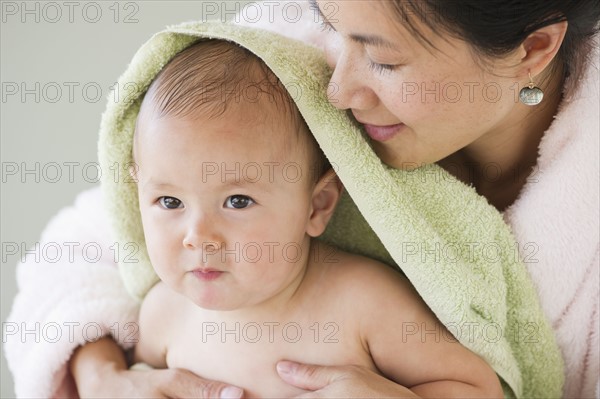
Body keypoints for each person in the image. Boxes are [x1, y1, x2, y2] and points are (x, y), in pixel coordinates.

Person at [5, 1, 598, 398]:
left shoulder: (362, 301)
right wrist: (105, 376)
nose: (334, 89)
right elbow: (79, 259)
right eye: (334, 30)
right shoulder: (273, 69)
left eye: (384, 59)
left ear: (533, 49)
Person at [129, 38, 501, 398]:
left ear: (317, 206)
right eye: (169, 201)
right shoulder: (162, 314)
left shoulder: (362, 303)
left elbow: (476, 388)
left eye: (238, 201)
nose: (198, 237)